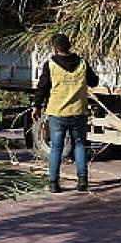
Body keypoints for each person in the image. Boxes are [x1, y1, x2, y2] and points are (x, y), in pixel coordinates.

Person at [31, 34, 99, 192]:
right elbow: (94, 82)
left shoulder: (50, 65)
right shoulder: (82, 63)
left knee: (56, 147)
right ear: (70, 46)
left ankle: (54, 183)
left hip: (57, 113)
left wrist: (36, 106)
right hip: (78, 112)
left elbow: (42, 87)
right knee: (80, 145)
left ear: (55, 48)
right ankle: (82, 181)